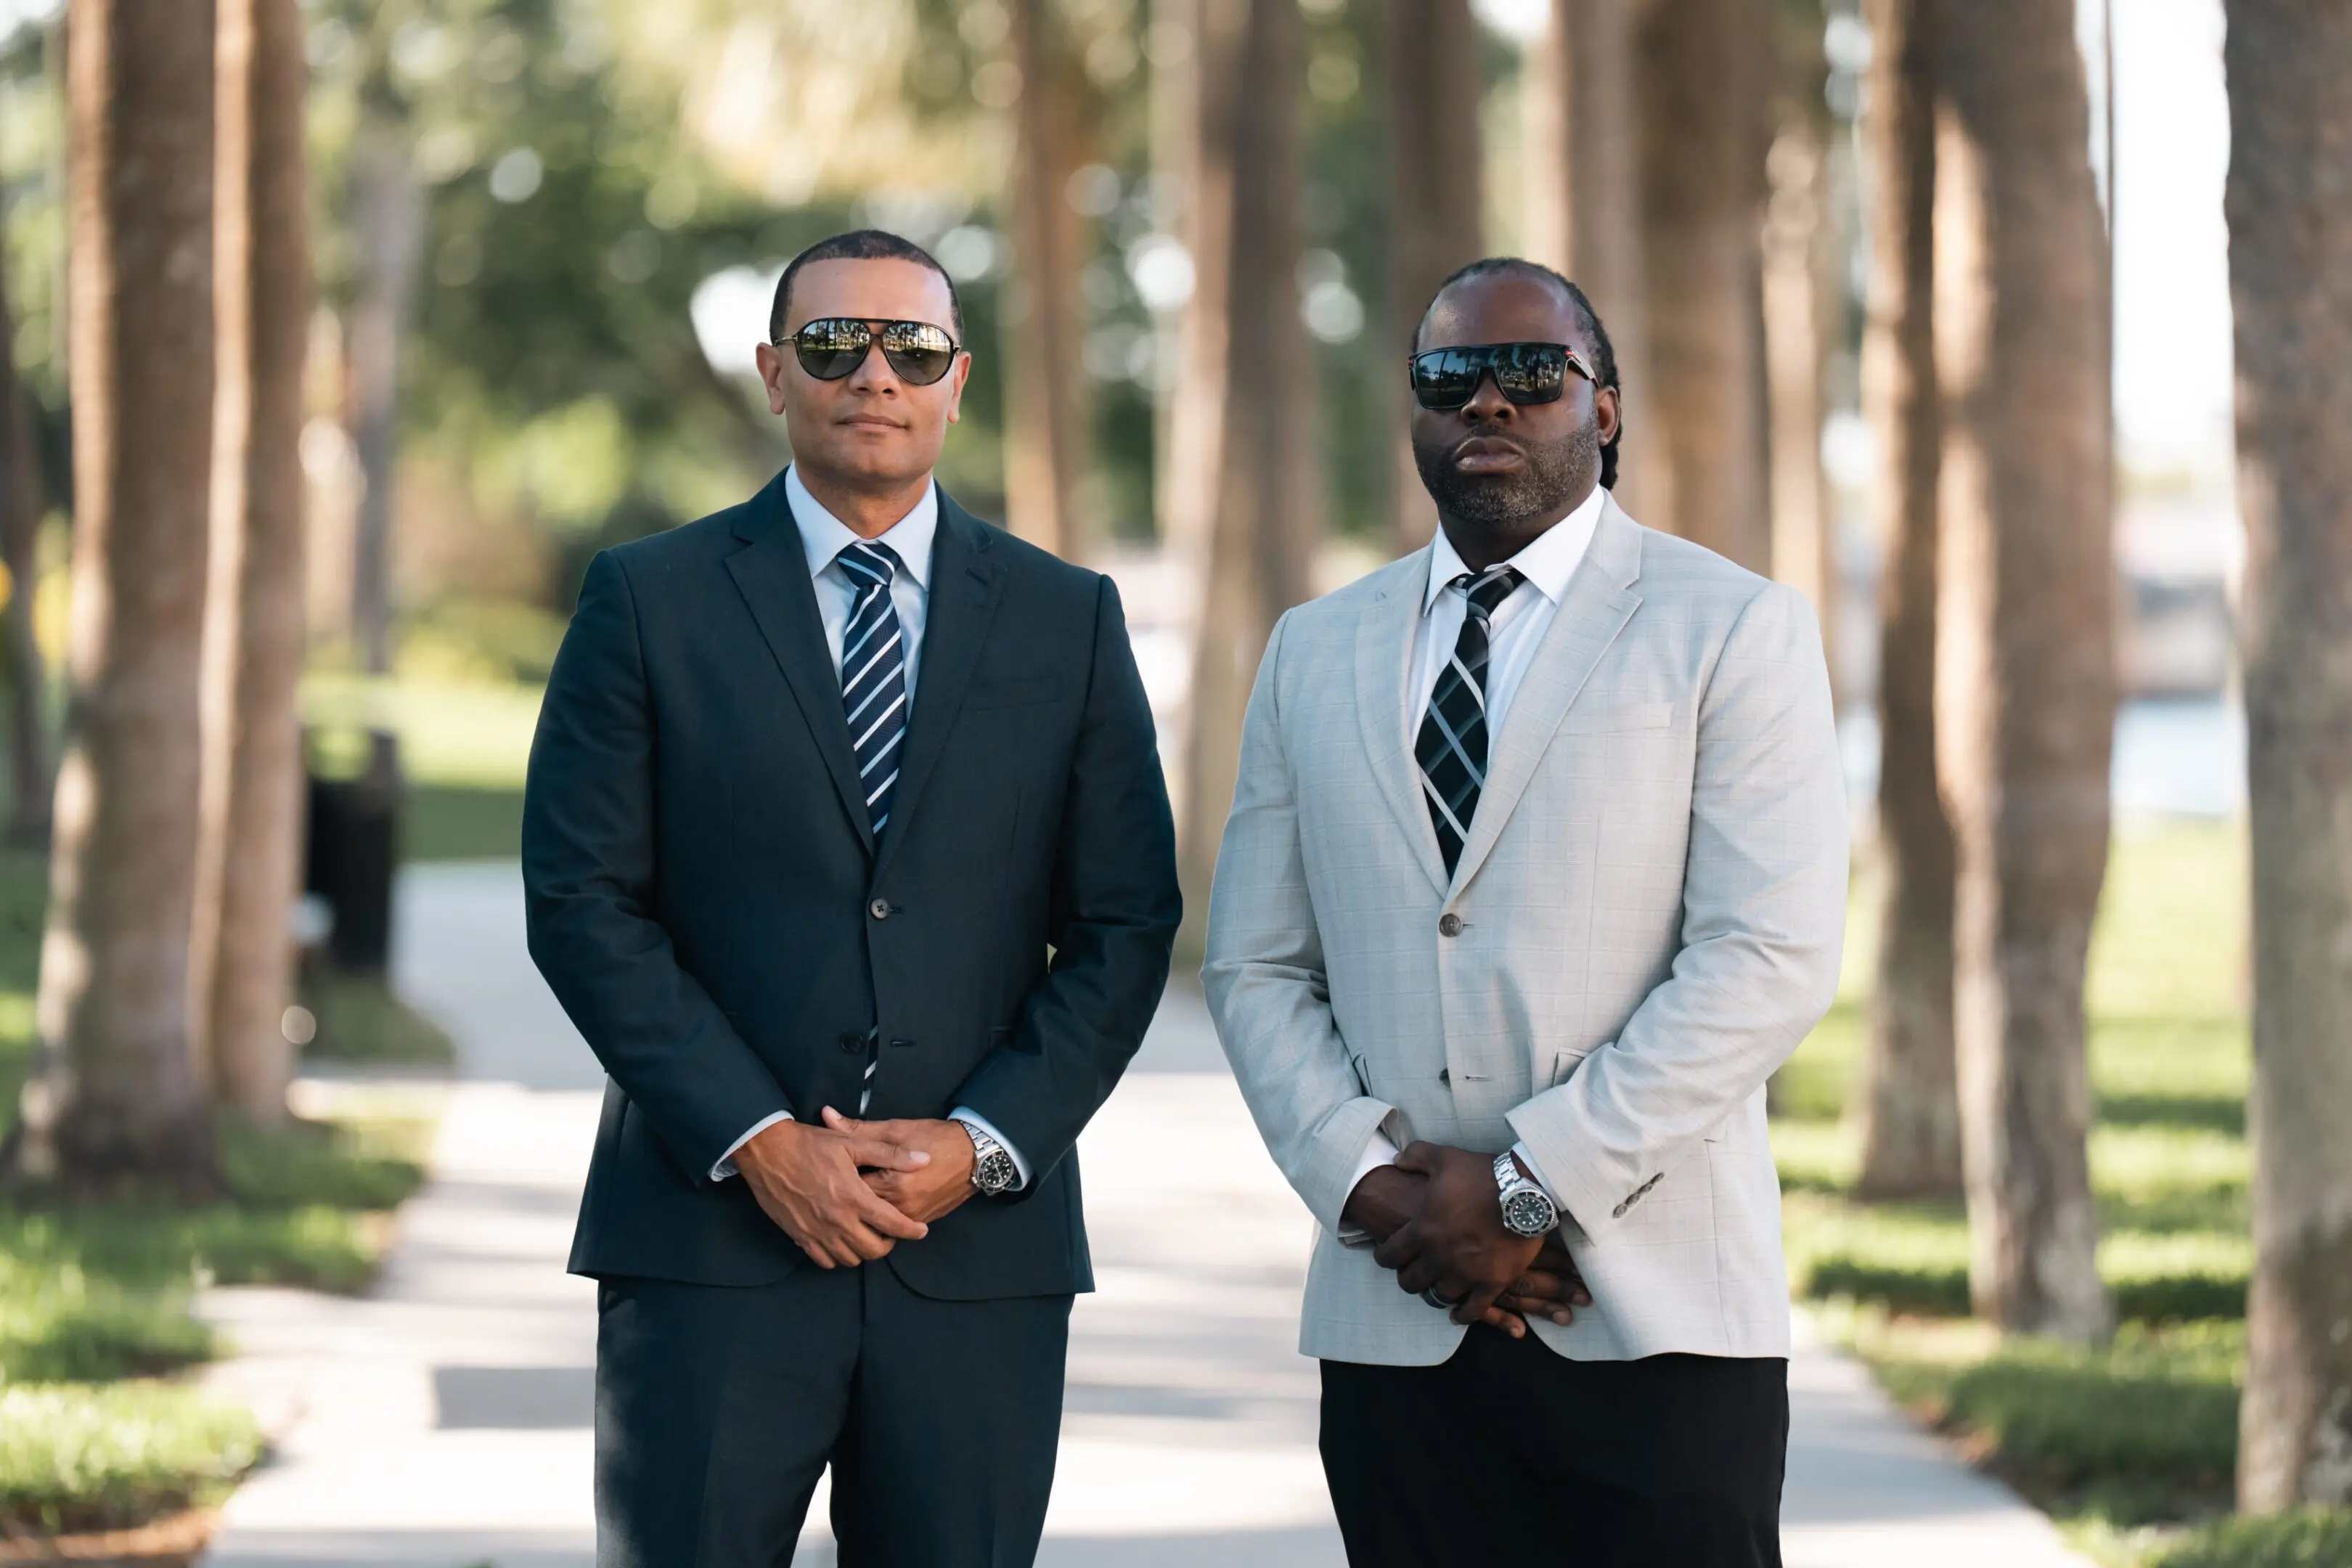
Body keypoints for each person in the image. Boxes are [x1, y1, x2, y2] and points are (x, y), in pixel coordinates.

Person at [523, 229, 1181, 1568]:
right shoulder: (647, 601)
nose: (873, 373)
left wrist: (986, 1142)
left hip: (980, 1263)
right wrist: (762, 1139)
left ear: (957, 380)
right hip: (710, 1245)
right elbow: (583, 901)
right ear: (774, 373)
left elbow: (1124, 929)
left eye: (912, 347)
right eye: (834, 345)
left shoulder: (1071, 620)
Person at [1203, 256, 1847, 1566]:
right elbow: (1258, 964)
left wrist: (1524, 1186)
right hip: (1397, 1321)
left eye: (1531, 375)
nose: (1486, 403)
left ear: (1603, 410)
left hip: (1656, 1320)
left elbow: (1766, 957)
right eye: (1450, 376)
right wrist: (1371, 1188)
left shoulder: (1732, 628)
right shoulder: (1311, 650)